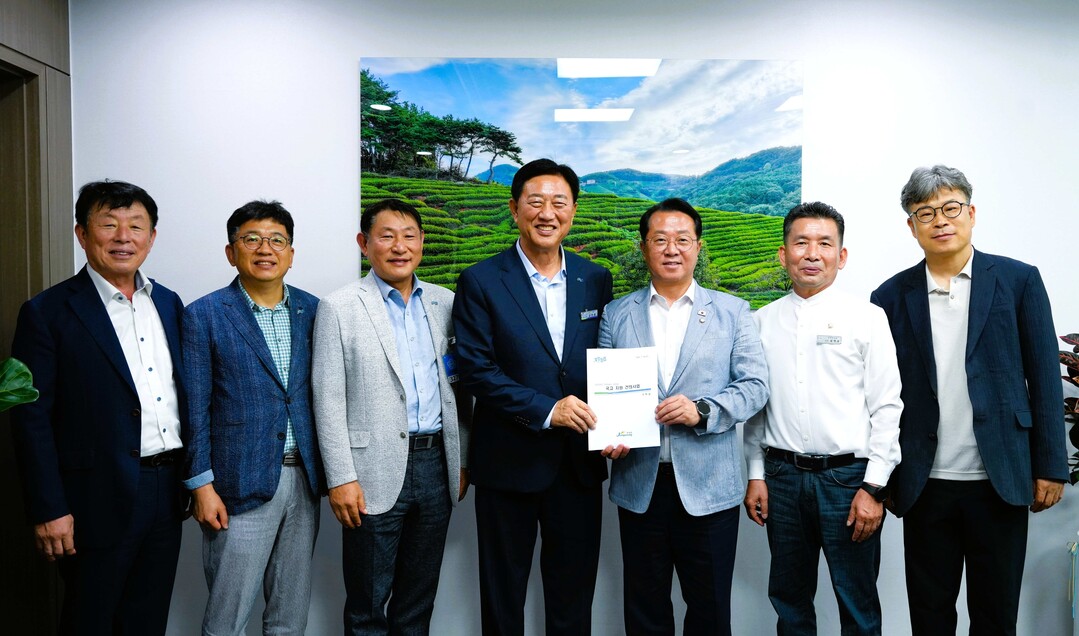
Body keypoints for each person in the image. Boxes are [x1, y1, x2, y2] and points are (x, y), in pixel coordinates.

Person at [870, 165, 1067, 635]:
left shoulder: (1018, 280)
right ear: (911, 226)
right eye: (925, 213)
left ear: (971, 213)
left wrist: (1050, 465)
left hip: (999, 477)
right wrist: (883, 477)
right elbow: (878, 393)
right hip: (924, 480)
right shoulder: (890, 296)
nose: (940, 220)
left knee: (996, 614)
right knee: (930, 614)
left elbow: (1043, 375)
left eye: (951, 208)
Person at [10, 180, 187, 635]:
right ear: (82, 234)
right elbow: (28, 418)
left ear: (152, 237)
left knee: (147, 619)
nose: (123, 237)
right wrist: (48, 508)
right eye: (108, 225)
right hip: (93, 497)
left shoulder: (168, 303)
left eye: (136, 226)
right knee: (90, 620)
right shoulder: (45, 312)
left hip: (167, 491)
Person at [452, 158, 613, 635]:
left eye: (559, 202)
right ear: (514, 208)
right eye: (535, 201)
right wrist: (547, 409)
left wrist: (620, 422)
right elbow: (476, 370)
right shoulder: (481, 280)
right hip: (508, 463)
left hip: (578, 465)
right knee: (503, 597)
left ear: (574, 211)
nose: (547, 213)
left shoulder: (595, 278)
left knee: (573, 598)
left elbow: (607, 360)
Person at [599, 197, 768, 636]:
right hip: (640, 484)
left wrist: (703, 410)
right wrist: (608, 435)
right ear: (644, 248)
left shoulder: (733, 312)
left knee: (710, 611)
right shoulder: (616, 314)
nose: (671, 249)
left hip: (710, 487)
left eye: (682, 239)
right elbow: (603, 390)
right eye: (660, 240)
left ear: (698, 246)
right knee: (644, 610)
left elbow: (755, 386)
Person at [743, 201, 903, 635]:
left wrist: (874, 487)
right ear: (783, 254)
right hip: (781, 478)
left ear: (841, 255)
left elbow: (888, 407)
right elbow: (757, 407)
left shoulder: (867, 318)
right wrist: (755, 474)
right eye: (801, 243)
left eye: (825, 244)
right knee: (790, 602)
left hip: (849, 482)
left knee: (857, 603)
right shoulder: (760, 322)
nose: (812, 254)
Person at [313, 198, 471, 635]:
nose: (399, 246)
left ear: (421, 242)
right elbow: (327, 398)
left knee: (418, 599)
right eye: (386, 236)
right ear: (364, 244)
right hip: (370, 472)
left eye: (408, 236)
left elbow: (460, 391)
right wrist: (340, 477)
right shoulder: (340, 306)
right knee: (368, 603)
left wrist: (460, 460)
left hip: (436, 464)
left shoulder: (445, 302)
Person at [182, 200, 324, 635]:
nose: (266, 248)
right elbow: (194, 408)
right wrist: (201, 485)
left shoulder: (314, 310)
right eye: (252, 239)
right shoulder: (204, 314)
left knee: (289, 615)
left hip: (305, 482)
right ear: (231, 252)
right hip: (236, 485)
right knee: (228, 619)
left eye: (277, 240)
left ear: (291, 253)